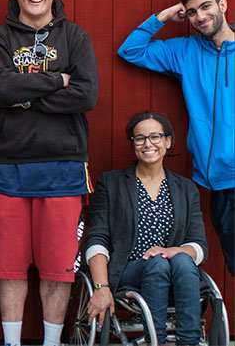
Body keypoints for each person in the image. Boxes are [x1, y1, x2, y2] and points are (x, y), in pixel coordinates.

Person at [0, 0, 99, 346]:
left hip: (64, 167)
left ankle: (52, 343)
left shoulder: (75, 36)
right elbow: (1, 88)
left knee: (57, 269)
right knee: (10, 268)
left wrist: (25, 96)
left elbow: (86, 95)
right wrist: (58, 80)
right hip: (9, 167)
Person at [118, 0, 234, 276]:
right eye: (192, 12)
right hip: (218, 183)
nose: (200, 17)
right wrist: (167, 14)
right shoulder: (185, 51)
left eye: (206, 6)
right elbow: (131, 50)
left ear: (223, 4)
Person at [86, 111, 208, 346]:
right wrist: (101, 286)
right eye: (140, 138)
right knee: (158, 262)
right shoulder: (111, 183)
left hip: (177, 272)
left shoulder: (186, 188)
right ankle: (157, 341)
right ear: (133, 143)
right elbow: (97, 237)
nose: (147, 144)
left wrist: (174, 250)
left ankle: (189, 342)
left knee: (181, 259)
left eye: (155, 136)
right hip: (129, 269)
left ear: (168, 141)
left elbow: (199, 244)